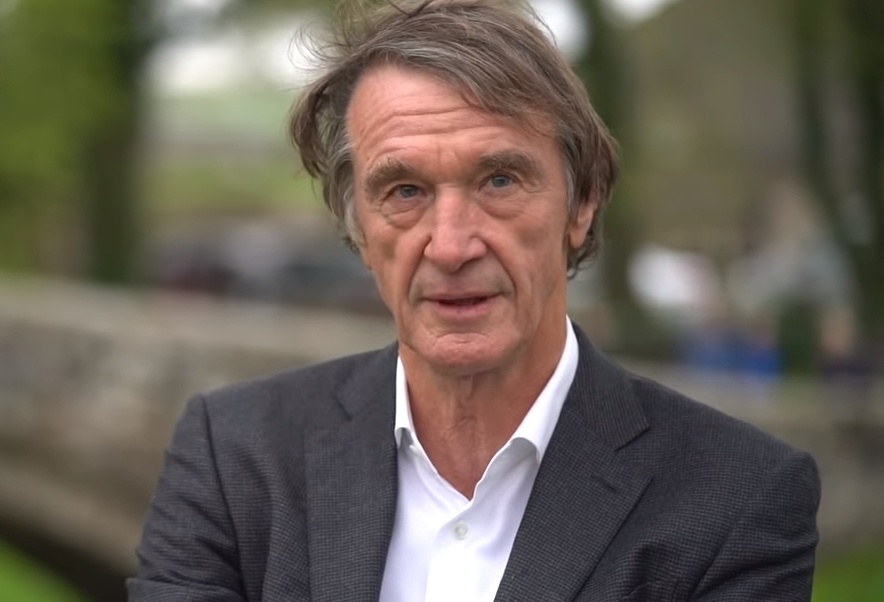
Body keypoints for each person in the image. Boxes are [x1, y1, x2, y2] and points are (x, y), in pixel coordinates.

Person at [128, 1, 820, 601]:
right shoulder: (235, 457)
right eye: (405, 191)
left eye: (499, 181)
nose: (452, 245)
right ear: (358, 228)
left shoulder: (737, 497)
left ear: (581, 204)